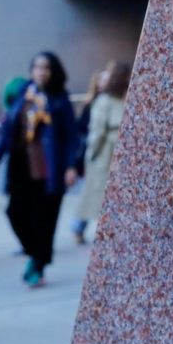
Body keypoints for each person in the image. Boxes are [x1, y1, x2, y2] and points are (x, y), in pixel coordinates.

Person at [0, 52, 77, 287]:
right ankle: (35, 252)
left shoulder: (59, 100)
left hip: (49, 168)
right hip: (21, 165)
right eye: (37, 67)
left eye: (46, 67)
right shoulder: (23, 95)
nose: (41, 72)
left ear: (53, 71)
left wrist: (72, 166)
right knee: (14, 212)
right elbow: (7, 132)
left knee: (44, 219)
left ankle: (38, 264)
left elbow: (72, 137)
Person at [72, 62, 130, 244]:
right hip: (104, 155)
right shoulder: (104, 101)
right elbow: (96, 133)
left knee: (108, 196)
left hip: (117, 154)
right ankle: (79, 227)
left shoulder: (124, 99)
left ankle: (105, 232)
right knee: (95, 194)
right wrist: (92, 155)